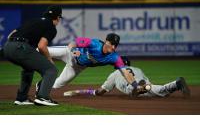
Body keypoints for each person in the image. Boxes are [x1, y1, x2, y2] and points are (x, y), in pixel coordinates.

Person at [38, 33, 139, 94]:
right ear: (106, 41)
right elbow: (74, 42)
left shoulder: (114, 57)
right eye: (112, 43)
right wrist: (73, 50)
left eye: (115, 45)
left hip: (78, 67)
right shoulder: (94, 43)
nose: (113, 47)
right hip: (69, 54)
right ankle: (25, 51)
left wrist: (135, 85)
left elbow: (125, 72)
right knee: (40, 50)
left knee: (57, 84)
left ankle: (41, 84)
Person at [3, 5, 62, 106]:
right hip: (20, 47)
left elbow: (11, 34)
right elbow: (42, 46)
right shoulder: (51, 27)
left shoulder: (34, 21)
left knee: (28, 68)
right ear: (57, 17)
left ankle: (21, 98)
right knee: (51, 70)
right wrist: (49, 60)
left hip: (7, 46)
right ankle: (43, 97)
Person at [63, 56, 191, 98]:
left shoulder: (114, 74)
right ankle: (176, 84)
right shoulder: (137, 69)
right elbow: (148, 81)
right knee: (156, 89)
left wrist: (79, 91)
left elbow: (100, 92)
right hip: (145, 83)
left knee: (137, 89)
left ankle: (138, 88)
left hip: (132, 87)